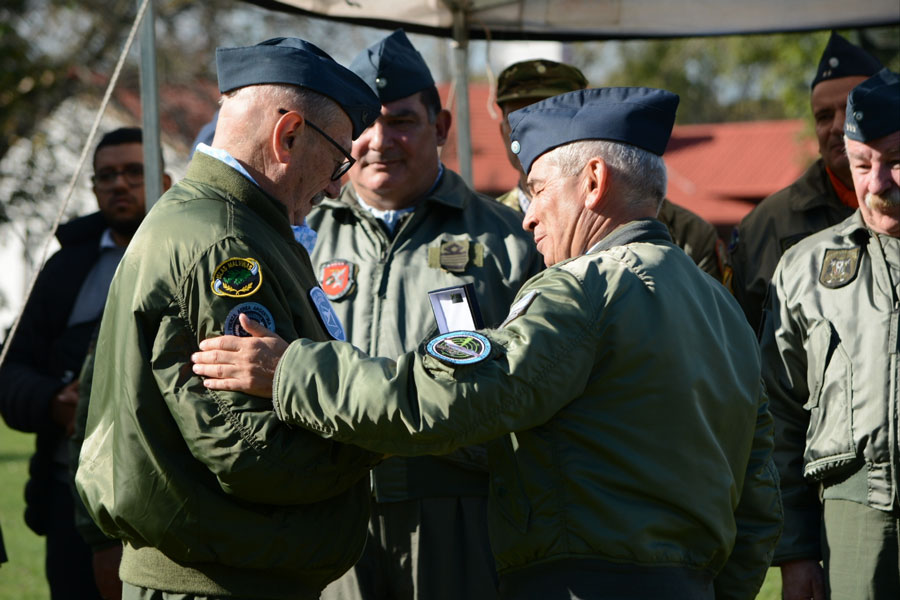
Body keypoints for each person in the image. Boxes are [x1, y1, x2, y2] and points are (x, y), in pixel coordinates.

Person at [193, 86, 782, 600]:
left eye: (539, 190)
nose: (527, 219)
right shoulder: (719, 306)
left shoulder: (585, 291)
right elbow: (758, 491)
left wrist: (291, 371)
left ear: (595, 181)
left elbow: (456, 393)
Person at [73, 38, 384, 600]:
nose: (339, 185)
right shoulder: (225, 241)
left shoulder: (225, 221)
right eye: (339, 160)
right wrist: (381, 428)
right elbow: (255, 450)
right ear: (288, 135)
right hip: (220, 580)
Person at [307, 29, 543, 600]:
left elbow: (537, 382)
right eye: (365, 124)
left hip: (462, 513)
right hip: (333, 513)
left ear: (440, 128)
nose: (380, 141)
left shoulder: (509, 240)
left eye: (402, 121)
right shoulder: (304, 241)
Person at [0, 127, 170, 599]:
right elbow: (11, 372)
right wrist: (55, 402)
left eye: (134, 172)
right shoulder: (63, 270)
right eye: (107, 176)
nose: (120, 184)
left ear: (166, 179)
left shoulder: (196, 254)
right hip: (70, 493)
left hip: (168, 495)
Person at [760, 68, 900, 600]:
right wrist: (795, 552)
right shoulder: (805, 269)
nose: (876, 183)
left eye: (896, 163)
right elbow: (776, 413)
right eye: (862, 164)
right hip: (851, 520)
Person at [495, 58, 727, 280]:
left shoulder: (685, 232)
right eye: (517, 121)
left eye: (550, 117)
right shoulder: (485, 227)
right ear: (501, 131)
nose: (534, 134)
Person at [730, 31, 883, 330]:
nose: (839, 126)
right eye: (824, 116)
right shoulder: (765, 226)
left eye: (854, 110)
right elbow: (741, 343)